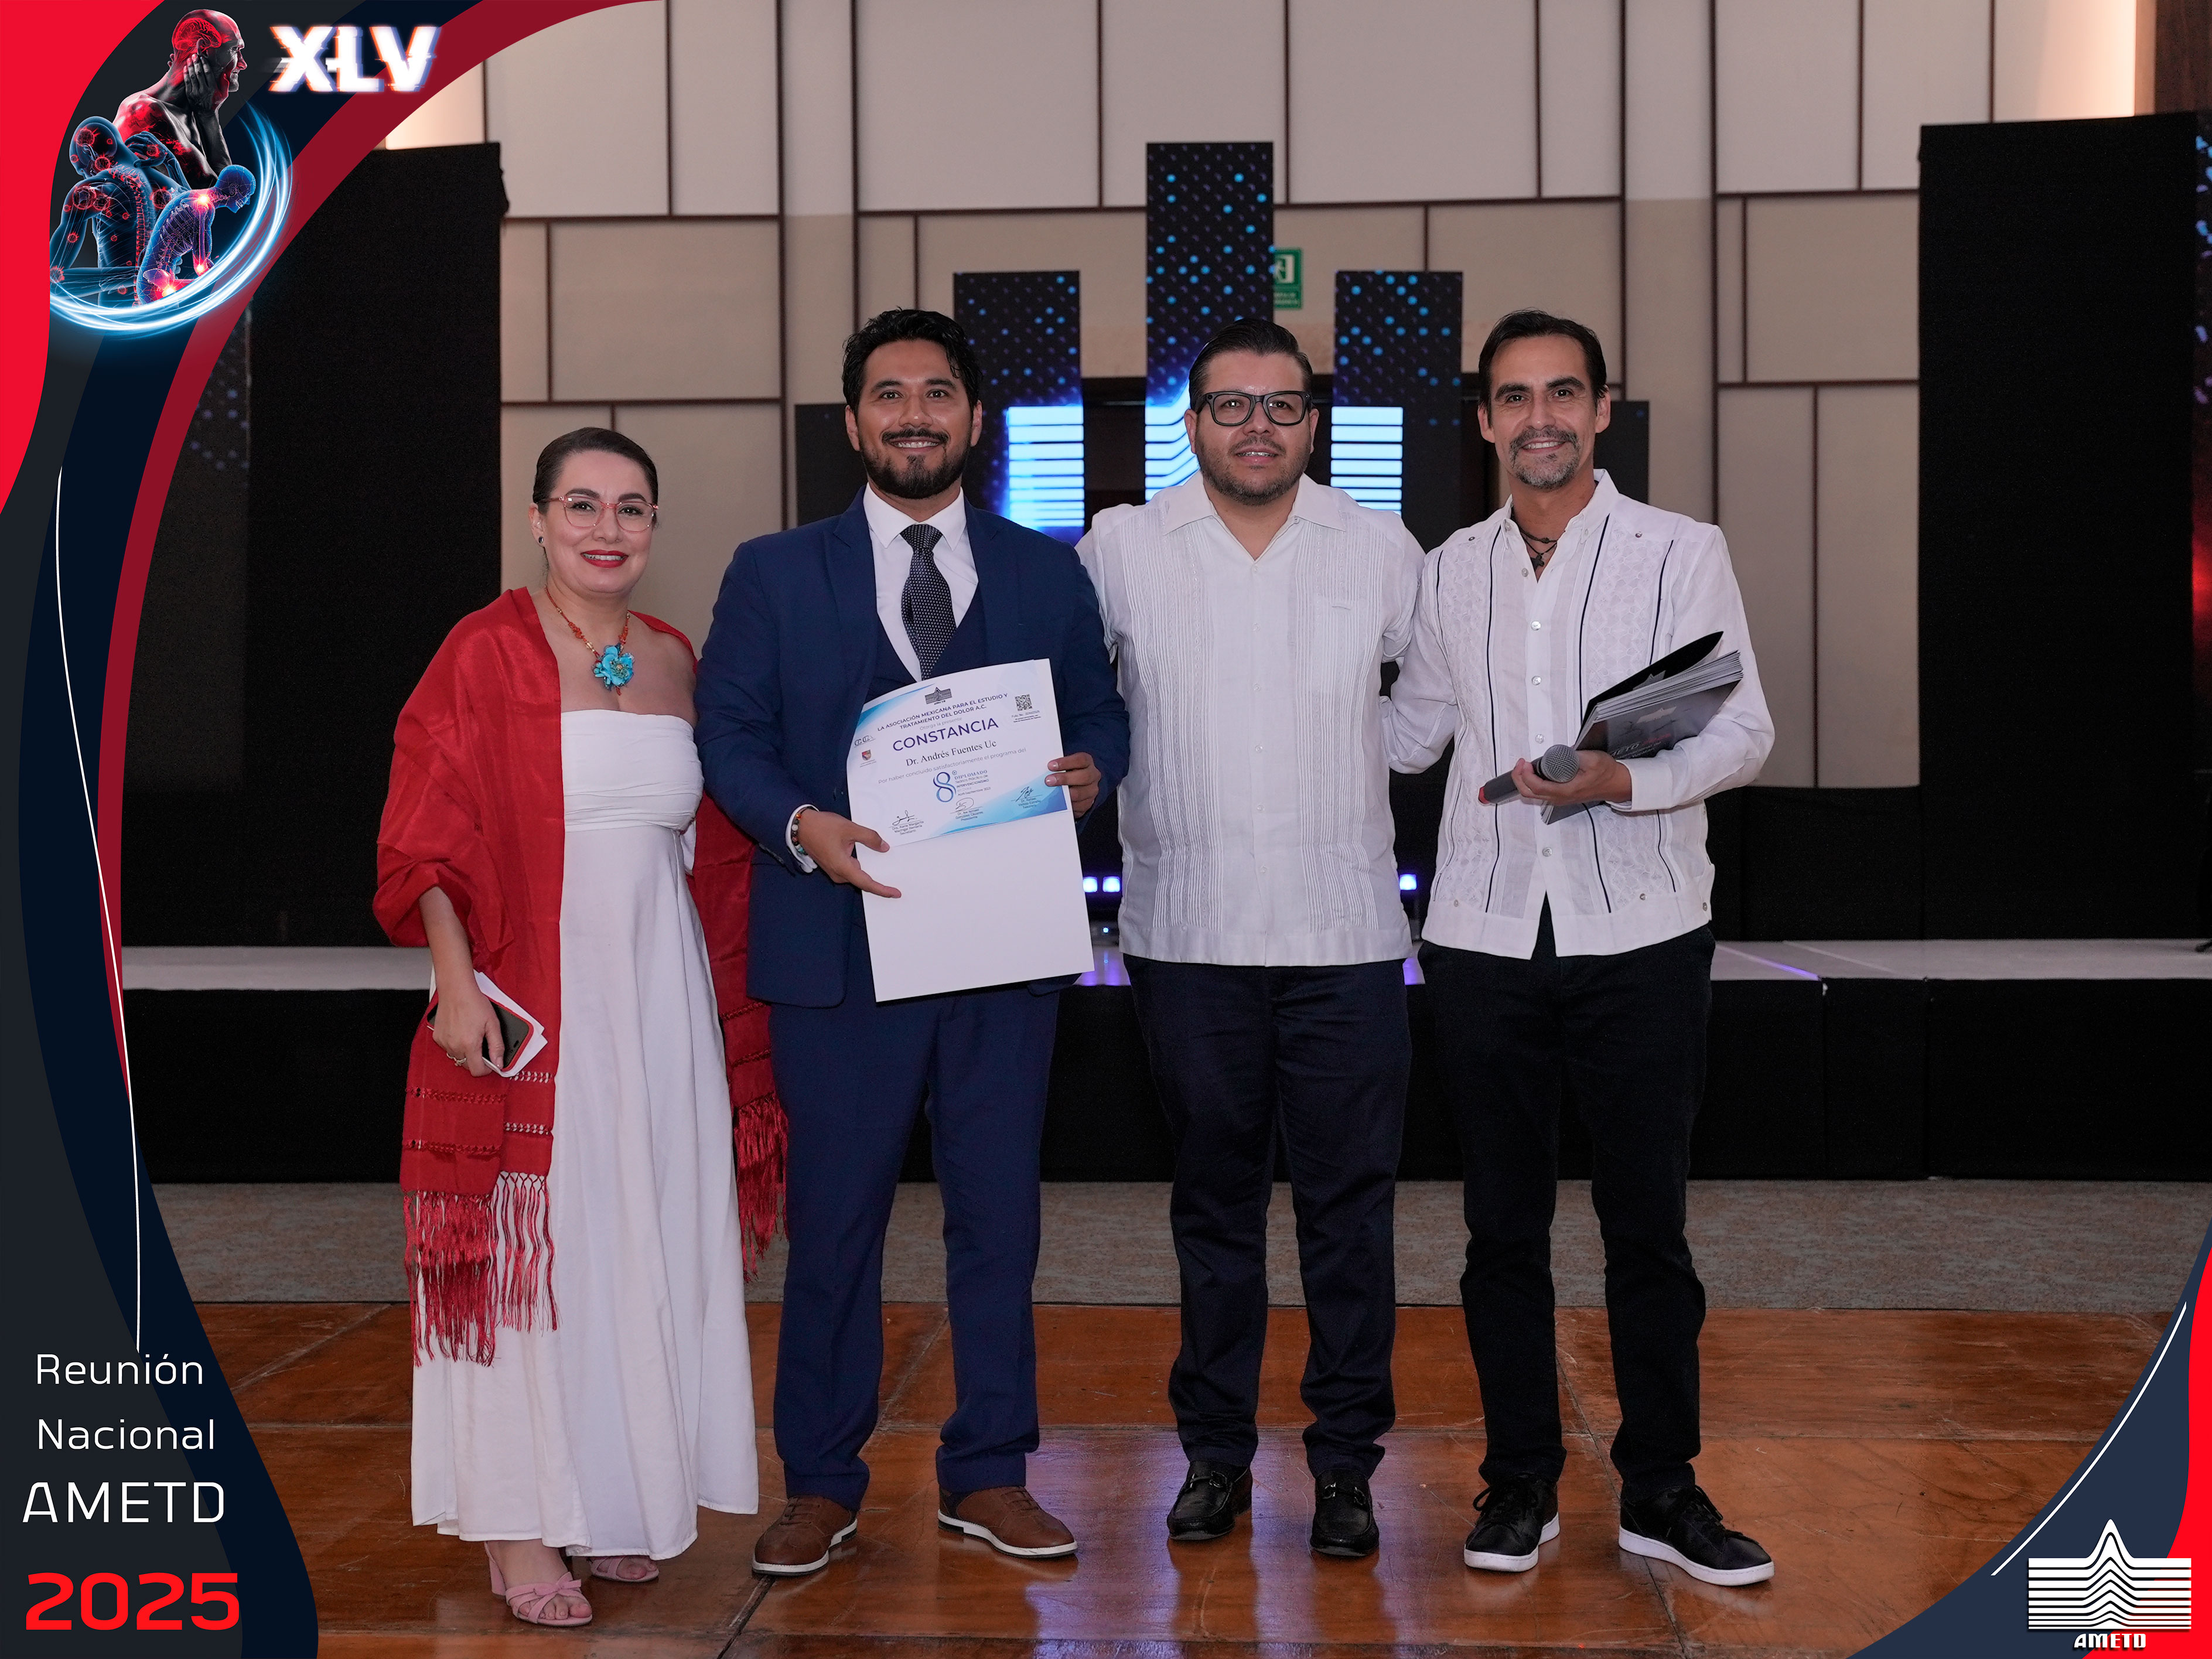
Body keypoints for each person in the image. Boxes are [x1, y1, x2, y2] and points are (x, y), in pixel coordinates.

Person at [696, 309, 1128, 1576]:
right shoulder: (773, 572)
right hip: (838, 957)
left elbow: (1102, 712)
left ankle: (989, 1472)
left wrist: (1093, 769)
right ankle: (820, 1484)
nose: (914, 415)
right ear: (853, 422)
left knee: (999, 1224)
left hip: (1000, 953)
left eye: (938, 392)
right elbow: (729, 735)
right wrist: (800, 826)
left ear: (974, 418)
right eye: (888, 394)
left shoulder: (1046, 571)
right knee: (834, 1228)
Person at [1384, 310, 1777, 1585]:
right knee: (1500, 1230)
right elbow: (1409, 734)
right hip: (1484, 935)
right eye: (1515, 397)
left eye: (1563, 393)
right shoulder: (1448, 569)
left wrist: (1624, 780)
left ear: (1603, 410)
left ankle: (1663, 1489)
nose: (1539, 417)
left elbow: (1741, 733)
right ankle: (1518, 1483)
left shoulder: (1680, 550)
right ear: (1485, 421)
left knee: (1646, 1226)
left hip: (1641, 931)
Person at [376, 428, 783, 1626]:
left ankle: (608, 1501)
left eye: (632, 507)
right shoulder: (483, 650)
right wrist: (456, 983)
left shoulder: (675, 657)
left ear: (654, 526)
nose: (609, 528)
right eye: (583, 504)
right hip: (535, 1006)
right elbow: (425, 835)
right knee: (531, 1253)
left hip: (662, 1008)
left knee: (633, 1242)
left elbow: (715, 849)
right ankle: (516, 1527)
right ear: (539, 519)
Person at [1077, 317, 1423, 1559]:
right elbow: (1076, 700)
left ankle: (1345, 1466)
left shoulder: (1379, 546)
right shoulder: (1121, 546)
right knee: (1214, 1212)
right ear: (1191, 422)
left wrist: (1359, 758)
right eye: (1231, 405)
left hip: (1345, 935)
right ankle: (1214, 1455)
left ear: (1312, 422)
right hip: (1188, 933)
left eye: (1281, 406)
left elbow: (1435, 693)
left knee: (1349, 1216)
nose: (1257, 427)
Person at [115, 9, 244, 188]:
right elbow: (229, 196)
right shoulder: (144, 113)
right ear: (203, 50)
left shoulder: (193, 110)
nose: (243, 64)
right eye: (235, 50)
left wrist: (207, 114)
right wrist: (209, 117)